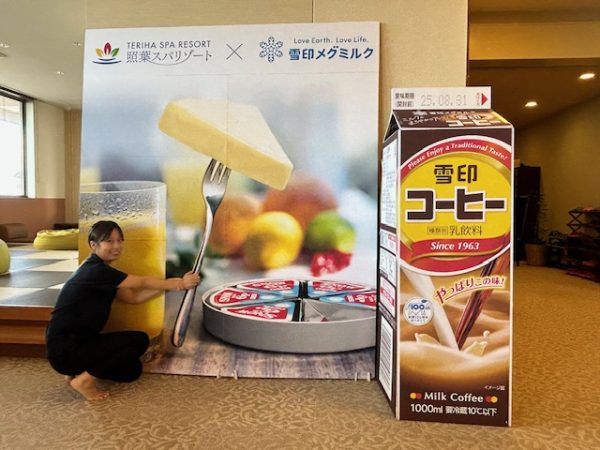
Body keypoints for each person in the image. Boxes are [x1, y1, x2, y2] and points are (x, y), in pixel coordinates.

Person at [46, 220, 200, 401]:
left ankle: (76, 373)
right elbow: (142, 282)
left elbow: (133, 298)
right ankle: (84, 381)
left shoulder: (103, 272)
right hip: (65, 349)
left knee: (131, 371)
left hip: (78, 345)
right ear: (93, 245)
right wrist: (180, 283)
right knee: (139, 340)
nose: (116, 246)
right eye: (109, 241)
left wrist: (166, 287)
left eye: (119, 240)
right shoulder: (95, 271)